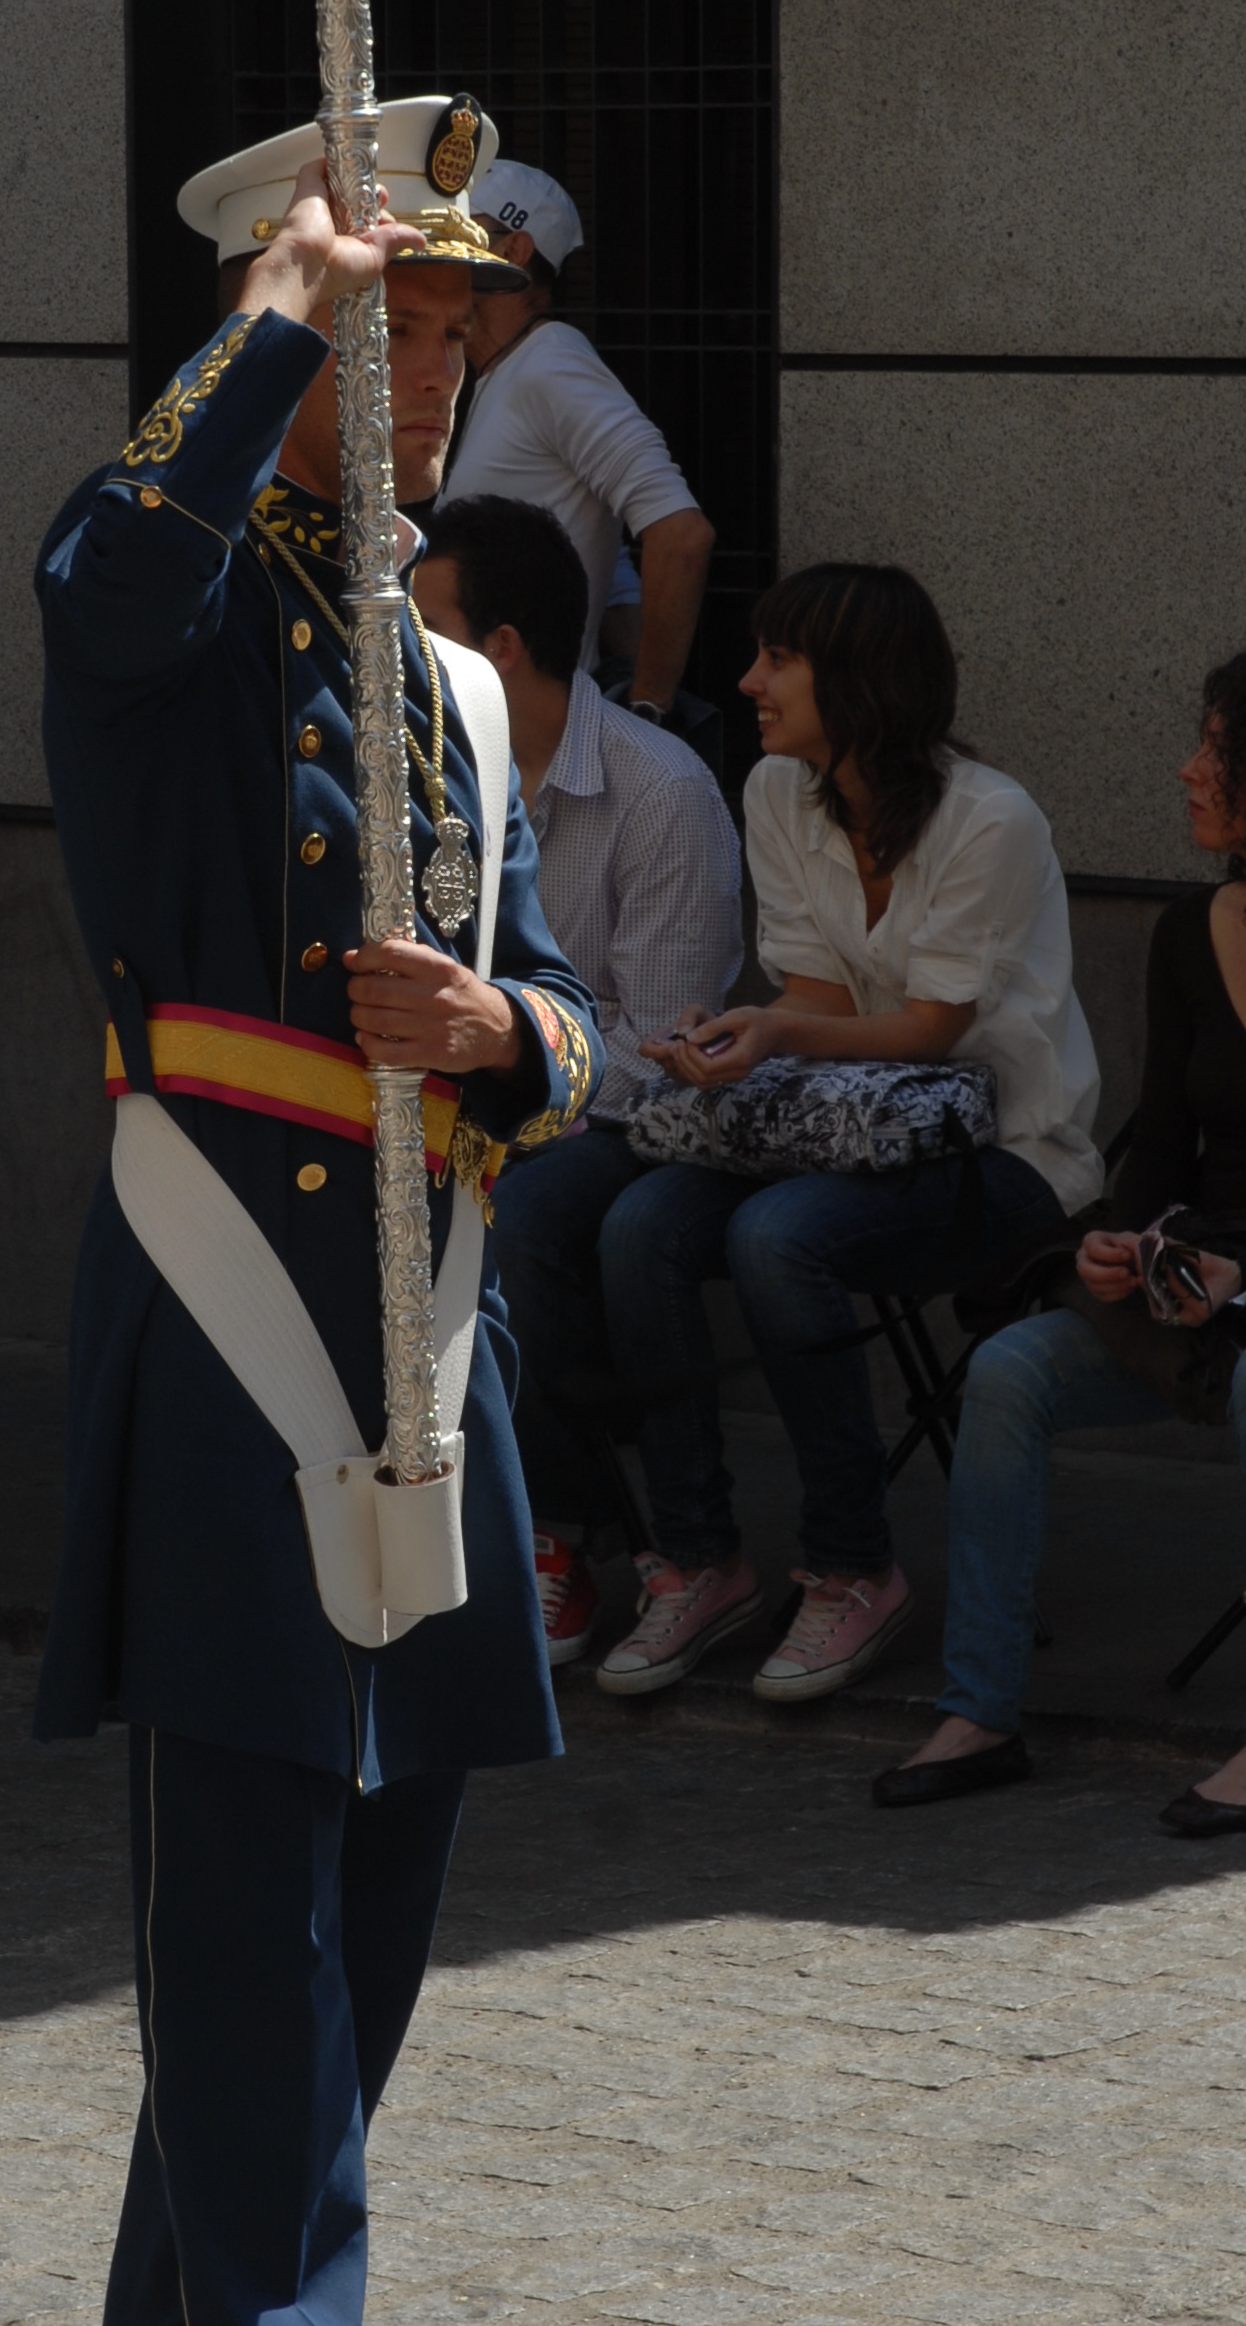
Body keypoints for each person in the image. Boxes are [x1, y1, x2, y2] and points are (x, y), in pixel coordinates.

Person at [35, 98, 602, 2326]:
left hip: (427, 1316)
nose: (442, 378)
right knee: (246, 1922)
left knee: (368, 1919)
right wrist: (274, 320)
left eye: (462, 336)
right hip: (232, 1306)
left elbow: (562, 1008)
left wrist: (504, 1034)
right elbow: (108, 569)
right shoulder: (168, 614)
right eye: (403, 329)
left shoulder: (456, 678)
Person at [884, 649, 1246, 1836]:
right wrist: (1117, 1238)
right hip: (1201, 1278)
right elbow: (1160, 1150)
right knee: (1007, 1368)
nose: (1188, 770)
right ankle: (979, 1709)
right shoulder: (1189, 931)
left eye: (1218, 750)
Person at [589, 561, 1100, 1704]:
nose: (748, 680)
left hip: (1008, 1150)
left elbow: (933, 1027)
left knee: (779, 1237)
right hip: (842, 1128)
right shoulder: (780, 789)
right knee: (639, 1222)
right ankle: (699, 1556)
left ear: (862, 679)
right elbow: (818, 992)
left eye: (780, 658)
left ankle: (853, 1564)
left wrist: (772, 1030)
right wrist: (734, 1035)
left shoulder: (991, 817)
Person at [409, 489, 740, 1665]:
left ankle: (563, 1533)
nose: (395, 658)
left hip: (631, 1122)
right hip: (487, 1089)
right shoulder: (425, 776)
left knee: (511, 1210)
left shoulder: (660, 789)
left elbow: (659, 1059)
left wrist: (512, 1060)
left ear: (500, 648)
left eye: (421, 629)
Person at [438, 159, 715, 718]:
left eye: (458, 231)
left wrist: (647, 716)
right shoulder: (508, 369)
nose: (437, 250)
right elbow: (612, 572)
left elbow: (682, 534)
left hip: (523, 740)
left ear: (514, 250)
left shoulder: (550, 361)